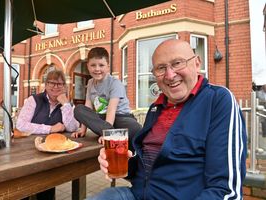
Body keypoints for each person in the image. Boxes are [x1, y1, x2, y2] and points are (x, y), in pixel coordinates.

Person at [91, 39, 247, 199]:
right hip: (136, 195)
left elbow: (226, 191)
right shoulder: (156, 107)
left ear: (197, 63)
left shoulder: (218, 100)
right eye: (161, 68)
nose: (170, 75)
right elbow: (145, 169)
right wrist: (123, 161)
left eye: (178, 63)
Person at [16, 69, 79, 200]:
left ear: (64, 87)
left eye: (60, 84)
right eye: (52, 83)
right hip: (27, 153)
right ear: (45, 84)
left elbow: (73, 127)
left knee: (47, 189)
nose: (56, 87)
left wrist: (66, 104)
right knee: (22, 189)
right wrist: (50, 129)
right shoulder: (33, 100)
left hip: (51, 154)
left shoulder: (67, 105)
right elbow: (21, 125)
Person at [72, 47, 142, 150]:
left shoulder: (115, 83)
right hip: (103, 120)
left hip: (121, 118)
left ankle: (111, 133)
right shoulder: (90, 83)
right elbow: (88, 106)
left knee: (135, 129)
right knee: (79, 109)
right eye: (93, 65)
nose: (97, 69)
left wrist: (106, 133)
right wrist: (83, 129)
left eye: (101, 65)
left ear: (108, 67)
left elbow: (112, 109)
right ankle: (113, 133)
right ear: (88, 66)